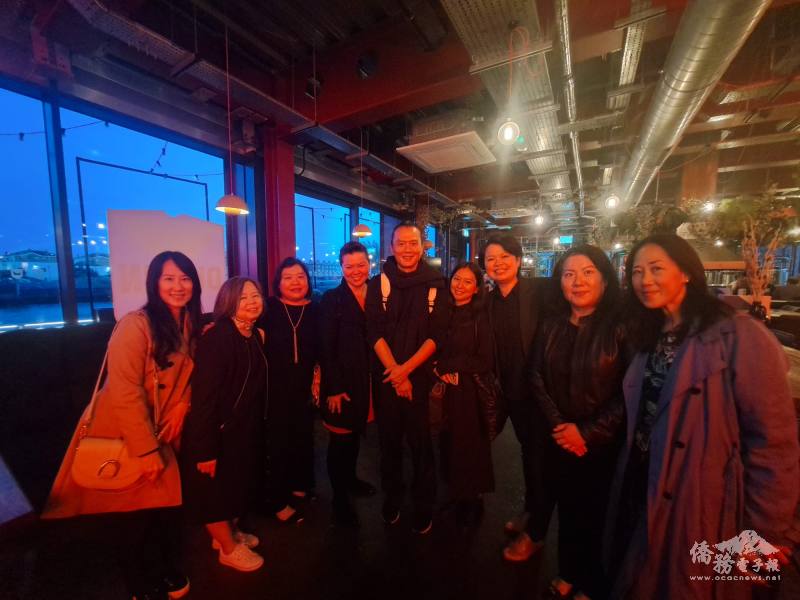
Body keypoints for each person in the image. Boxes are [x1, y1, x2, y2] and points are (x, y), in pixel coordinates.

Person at [607, 234, 800, 600]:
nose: (644, 280)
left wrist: (763, 542)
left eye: (656, 268)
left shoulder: (740, 334)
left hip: (704, 504)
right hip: (644, 483)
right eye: (636, 271)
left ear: (686, 273)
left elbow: (774, 445)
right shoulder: (649, 334)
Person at [44, 251, 202, 600]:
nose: (178, 286)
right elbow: (124, 390)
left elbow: (193, 373)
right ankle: (138, 585)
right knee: (132, 515)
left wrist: (183, 405)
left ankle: (165, 570)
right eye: (169, 279)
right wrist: (144, 448)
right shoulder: (136, 324)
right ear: (154, 283)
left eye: (185, 278)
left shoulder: (188, 323)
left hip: (163, 430)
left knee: (164, 508)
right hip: (126, 431)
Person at [516, 246, 626, 600]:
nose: (577, 281)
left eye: (587, 272)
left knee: (597, 516)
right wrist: (561, 426)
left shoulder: (622, 329)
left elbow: (630, 393)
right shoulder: (552, 325)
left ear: (606, 280)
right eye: (568, 274)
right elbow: (535, 376)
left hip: (603, 444)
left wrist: (587, 432)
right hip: (559, 436)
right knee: (566, 508)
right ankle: (567, 571)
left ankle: (593, 582)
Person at [365, 221, 448, 534]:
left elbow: (437, 335)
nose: (407, 249)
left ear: (423, 247)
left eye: (413, 243)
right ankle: (393, 497)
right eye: (401, 243)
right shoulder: (379, 284)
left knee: (421, 444)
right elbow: (373, 331)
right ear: (392, 247)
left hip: (420, 380)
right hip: (388, 378)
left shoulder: (437, 284)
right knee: (388, 444)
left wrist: (406, 371)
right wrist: (397, 374)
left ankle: (424, 502)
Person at [181, 277, 267, 572]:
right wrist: (205, 449)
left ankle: (229, 536)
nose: (252, 302)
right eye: (243, 299)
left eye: (255, 296)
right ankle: (227, 549)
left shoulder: (252, 334)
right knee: (214, 494)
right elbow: (203, 399)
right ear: (227, 303)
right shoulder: (217, 338)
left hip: (240, 430)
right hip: (216, 432)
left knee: (232, 487)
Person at [481, 234, 546, 559]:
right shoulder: (489, 301)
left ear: (519, 260)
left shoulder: (538, 292)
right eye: (491, 259)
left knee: (540, 459)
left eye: (505, 256)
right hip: (508, 391)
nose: (498, 263)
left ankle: (537, 529)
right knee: (527, 454)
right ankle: (531, 510)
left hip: (539, 393)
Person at [319, 242, 378, 527]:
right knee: (340, 441)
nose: (356, 271)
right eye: (349, 266)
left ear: (370, 264)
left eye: (361, 265)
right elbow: (326, 347)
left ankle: (352, 479)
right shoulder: (332, 299)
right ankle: (339, 497)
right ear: (342, 268)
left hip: (368, 380)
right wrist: (333, 387)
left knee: (354, 435)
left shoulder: (378, 294)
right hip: (341, 383)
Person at [434, 262, 495, 527]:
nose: (459, 285)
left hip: (469, 391)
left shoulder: (480, 317)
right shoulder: (442, 311)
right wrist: (436, 369)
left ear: (477, 288)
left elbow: (485, 360)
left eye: (467, 281)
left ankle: (473, 499)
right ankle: (456, 493)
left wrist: (449, 366)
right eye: (457, 278)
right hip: (445, 389)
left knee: (469, 444)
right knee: (447, 442)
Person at [261, 257, 320, 523]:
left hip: (305, 387)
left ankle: (300, 484)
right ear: (278, 283)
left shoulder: (316, 309)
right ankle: (276, 500)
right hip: (274, 388)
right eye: (288, 277)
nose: (295, 282)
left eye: (300, 276)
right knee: (278, 444)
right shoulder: (268, 308)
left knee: (304, 438)